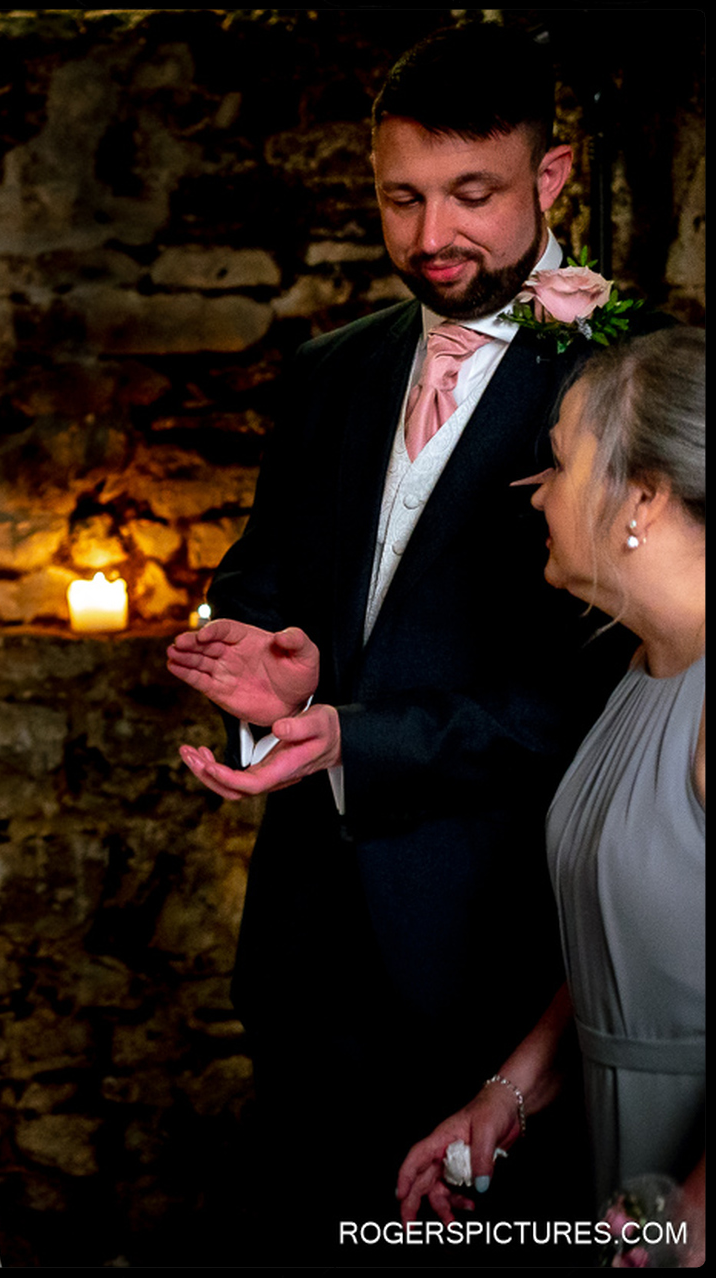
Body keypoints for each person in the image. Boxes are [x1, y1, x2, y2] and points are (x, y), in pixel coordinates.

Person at [164, 24, 635, 1253]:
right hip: (305, 952)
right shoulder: (331, 371)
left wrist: (356, 742)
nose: (433, 239)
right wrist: (266, 668)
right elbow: (260, 576)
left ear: (553, 176)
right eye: (402, 200)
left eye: (472, 197)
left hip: (500, 958)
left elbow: (594, 700)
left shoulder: (625, 381)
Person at [396, 328, 705, 1265]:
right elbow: (640, 931)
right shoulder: (644, 669)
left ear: (641, 497)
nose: (537, 491)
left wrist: (695, 1212)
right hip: (623, 1157)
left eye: (560, 462)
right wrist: (512, 1092)